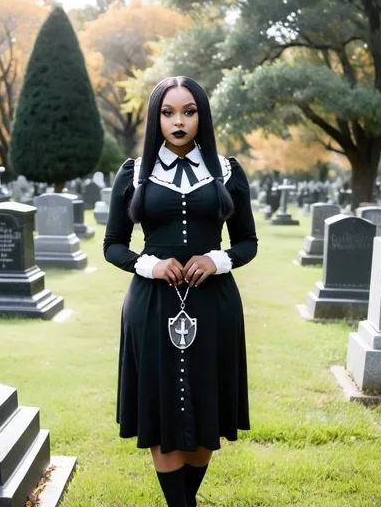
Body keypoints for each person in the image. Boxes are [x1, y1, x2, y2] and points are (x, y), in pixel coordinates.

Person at [103, 76, 258, 507]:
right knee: (162, 407)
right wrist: (149, 265)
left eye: (188, 111)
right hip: (152, 306)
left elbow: (248, 241)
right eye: (167, 112)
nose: (178, 120)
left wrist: (217, 260)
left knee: (206, 404)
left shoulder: (228, 171)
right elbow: (112, 245)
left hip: (214, 306)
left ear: (201, 116)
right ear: (156, 118)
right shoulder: (134, 173)